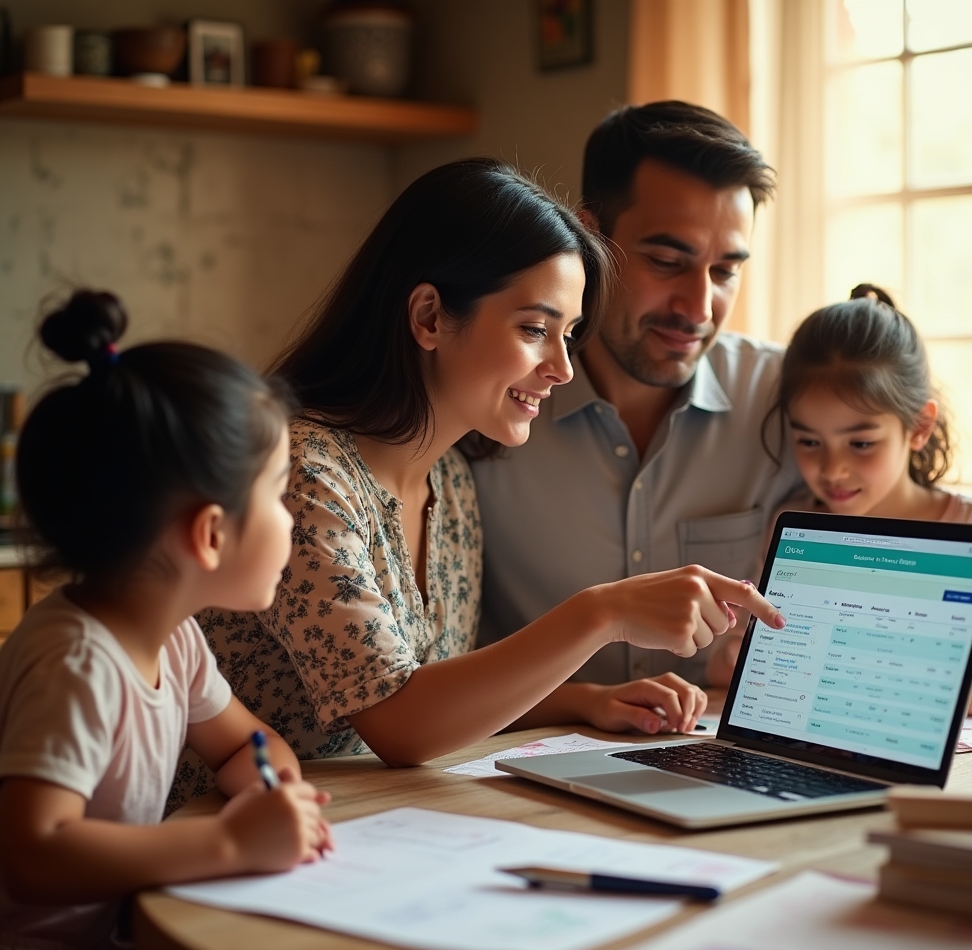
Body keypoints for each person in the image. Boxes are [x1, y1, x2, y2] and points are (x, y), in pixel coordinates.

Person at [181, 158, 784, 791]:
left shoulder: (454, 486)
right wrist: (603, 613)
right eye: (534, 330)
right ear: (430, 317)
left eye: (568, 335)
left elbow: (437, 689)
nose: (561, 368)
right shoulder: (304, 478)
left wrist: (583, 701)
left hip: (352, 826)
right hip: (220, 841)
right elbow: (400, 723)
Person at [0, 291, 332, 950]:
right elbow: (33, 849)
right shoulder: (77, 662)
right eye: (279, 494)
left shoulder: (175, 640)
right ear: (210, 535)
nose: (291, 520)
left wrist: (269, 790)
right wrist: (226, 842)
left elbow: (247, 740)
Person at [470, 101, 805, 701]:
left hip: (723, 765)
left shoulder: (786, 402)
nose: (699, 308)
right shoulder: (490, 400)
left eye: (725, 271)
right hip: (513, 765)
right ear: (590, 236)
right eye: (667, 262)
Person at [711, 283, 972, 715]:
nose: (832, 470)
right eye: (809, 441)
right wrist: (736, 656)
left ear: (918, 428)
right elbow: (746, 644)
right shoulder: (795, 523)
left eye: (860, 444)